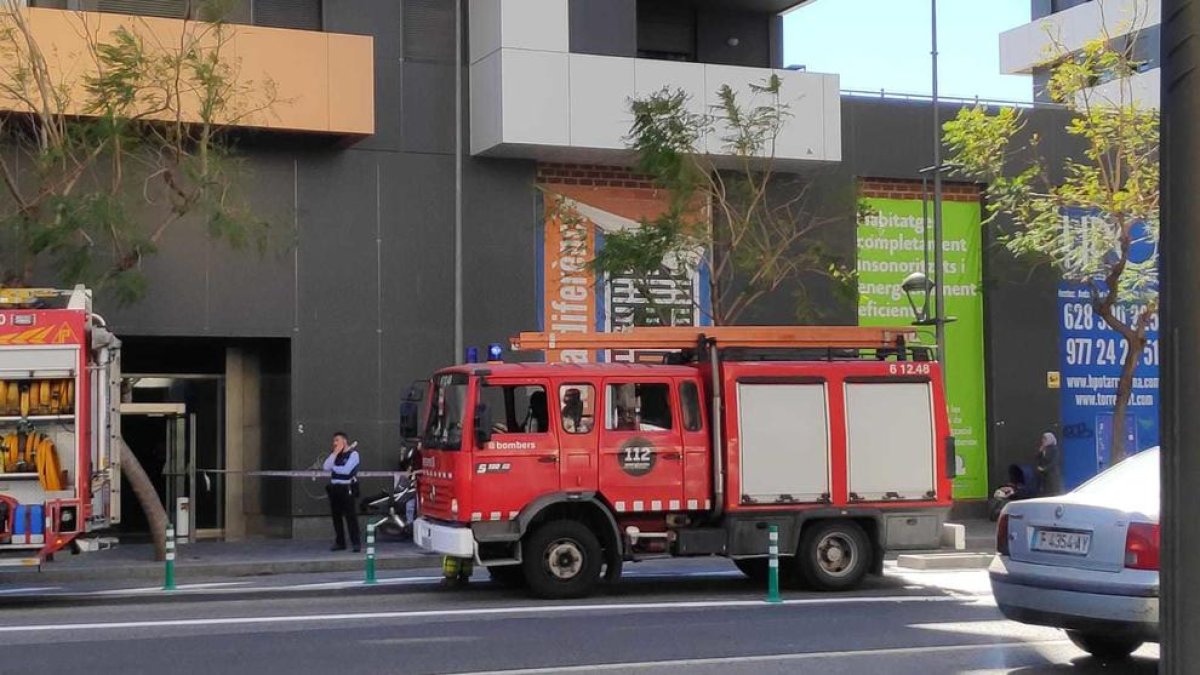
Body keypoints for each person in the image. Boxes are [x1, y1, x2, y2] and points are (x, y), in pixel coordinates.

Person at [323, 431, 361, 552]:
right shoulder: (335, 454)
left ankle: (356, 543)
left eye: (337, 440)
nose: (335, 443)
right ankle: (340, 542)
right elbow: (325, 467)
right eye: (334, 441)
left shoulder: (353, 454)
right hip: (335, 488)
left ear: (344, 441)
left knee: (350, 516)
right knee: (336, 517)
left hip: (347, 487)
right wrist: (335, 453)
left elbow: (346, 470)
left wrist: (334, 468)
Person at [1035, 432, 1064, 497]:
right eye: (1043, 439)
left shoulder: (1054, 449)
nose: (1043, 440)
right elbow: (1037, 458)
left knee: (1053, 491)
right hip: (1044, 475)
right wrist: (1040, 451)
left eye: (1045, 439)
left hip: (1052, 474)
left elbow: (1054, 461)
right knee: (1045, 491)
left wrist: (1045, 468)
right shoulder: (1043, 448)